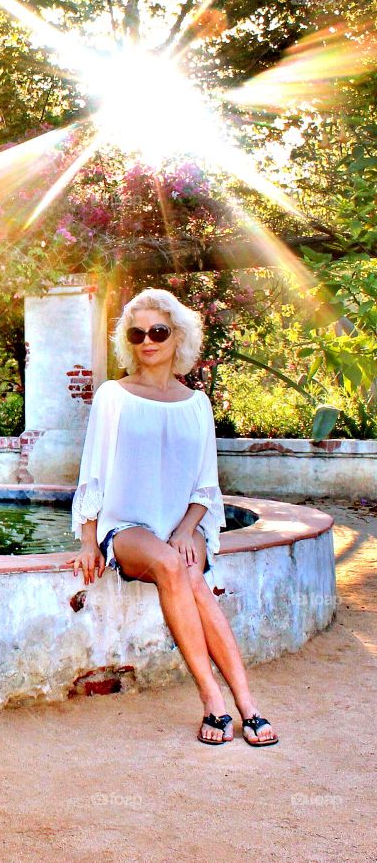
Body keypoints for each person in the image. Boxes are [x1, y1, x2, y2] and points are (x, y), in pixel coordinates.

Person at [69, 287, 279, 746]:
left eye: (158, 332)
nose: (147, 341)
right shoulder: (113, 396)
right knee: (170, 565)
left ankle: (247, 704)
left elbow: (206, 485)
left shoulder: (197, 404)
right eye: (137, 332)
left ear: (177, 337)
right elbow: (93, 474)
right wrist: (88, 541)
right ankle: (213, 701)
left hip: (184, 525)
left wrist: (187, 529)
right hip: (128, 528)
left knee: (190, 572)